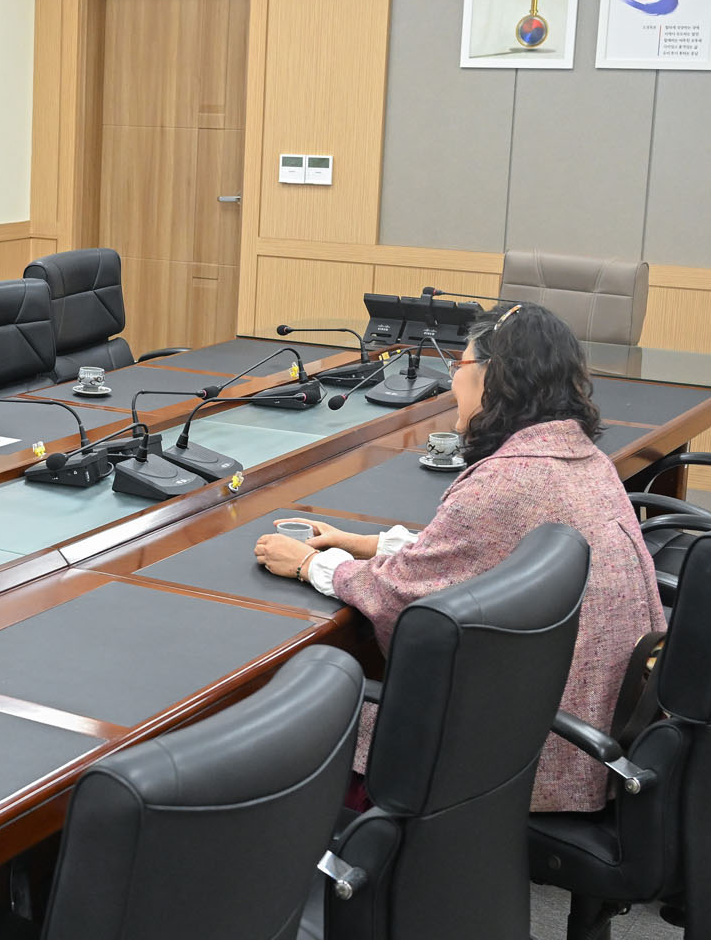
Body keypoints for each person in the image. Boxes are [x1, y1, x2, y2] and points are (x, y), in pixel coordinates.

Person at [253, 305, 664, 811]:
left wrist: (311, 565)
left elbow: (402, 598)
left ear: (494, 377)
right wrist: (371, 544)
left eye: (460, 366)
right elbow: (488, 553)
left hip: (531, 750)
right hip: (600, 727)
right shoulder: (581, 458)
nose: (452, 382)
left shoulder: (503, 483)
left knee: (310, 711)